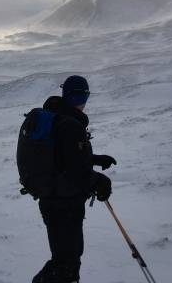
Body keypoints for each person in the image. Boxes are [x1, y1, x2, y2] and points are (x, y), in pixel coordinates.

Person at [32, 75, 115, 283]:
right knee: (66, 265)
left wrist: (95, 159)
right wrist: (100, 182)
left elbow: (62, 158)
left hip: (55, 200)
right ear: (79, 97)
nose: (84, 101)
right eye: (84, 95)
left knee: (65, 260)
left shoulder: (57, 118)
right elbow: (74, 170)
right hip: (63, 204)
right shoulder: (69, 125)